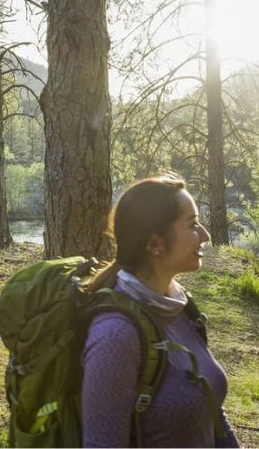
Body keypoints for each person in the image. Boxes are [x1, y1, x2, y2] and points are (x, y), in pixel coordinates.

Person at [82, 173, 238, 447]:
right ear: (155, 243)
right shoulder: (116, 334)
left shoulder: (180, 306)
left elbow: (210, 410)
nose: (205, 235)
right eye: (192, 225)